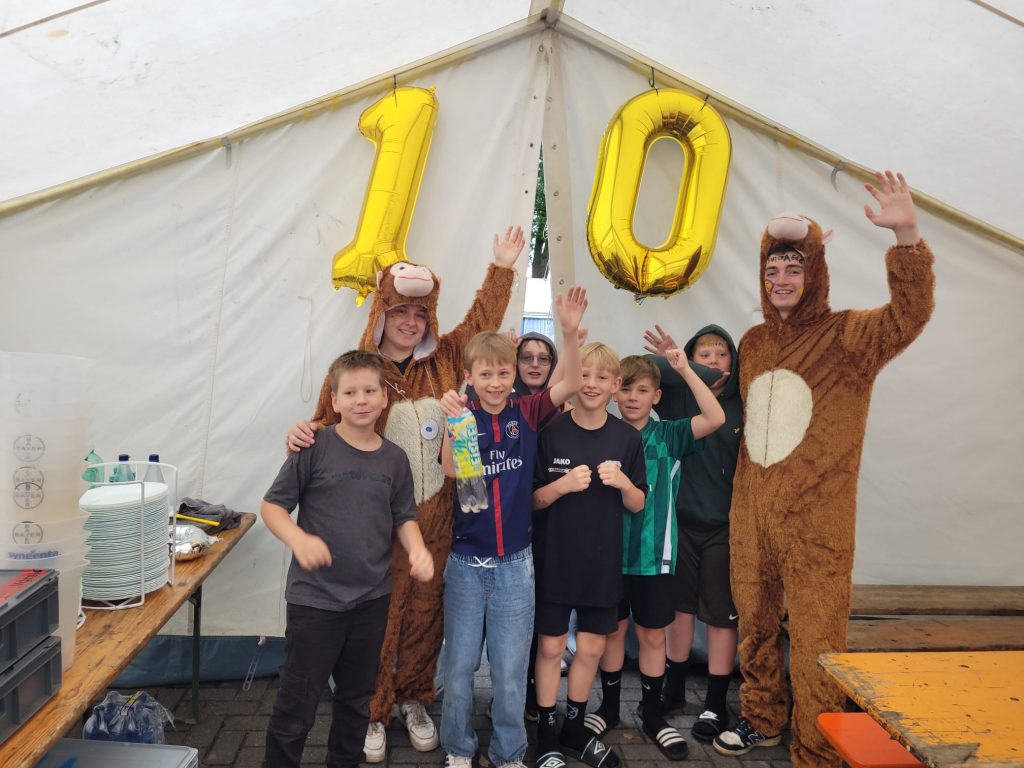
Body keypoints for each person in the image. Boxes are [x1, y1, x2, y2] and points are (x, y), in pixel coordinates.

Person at [713, 171, 935, 766]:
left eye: (795, 268)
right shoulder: (753, 342)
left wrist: (907, 237)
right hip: (752, 514)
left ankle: (817, 749)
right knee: (756, 626)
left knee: (817, 641)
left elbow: (910, 315)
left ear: (815, 274)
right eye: (773, 270)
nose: (782, 280)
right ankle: (762, 717)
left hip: (817, 524)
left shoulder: (848, 336)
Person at [286, 227, 525, 761]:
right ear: (382, 313)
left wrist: (502, 268)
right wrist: (302, 433)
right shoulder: (360, 370)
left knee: (425, 612)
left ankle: (414, 697)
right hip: (375, 523)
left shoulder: (446, 360)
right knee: (379, 615)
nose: (411, 322)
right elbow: (327, 423)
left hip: (437, 518)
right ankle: (372, 709)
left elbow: (481, 322)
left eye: (420, 314)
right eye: (400, 313)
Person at [436, 286, 586, 768]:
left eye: (503, 373)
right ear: (470, 376)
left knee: (508, 670)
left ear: (514, 374)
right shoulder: (463, 417)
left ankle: (508, 752)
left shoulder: (528, 412)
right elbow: (453, 472)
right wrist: (456, 422)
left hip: (515, 567)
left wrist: (568, 332)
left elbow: (571, 382)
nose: (496, 382)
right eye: (486, 374)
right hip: (465, 564)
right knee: (459, 669)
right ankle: (459, 748)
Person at [262, 351, 434, 768]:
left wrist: (417, 548)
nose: (361, 400)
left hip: (371, 602)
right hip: (314, 602)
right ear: (335, 400)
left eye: (370, 391)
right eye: (350, 392)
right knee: (297, 706)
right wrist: (298, 539)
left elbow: (404, 516)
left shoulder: (395, 459)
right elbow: (272, 507)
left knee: (357, 701)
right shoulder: (313, 446)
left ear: (384, 398)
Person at [583, 353, 724, 761]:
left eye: (642, 390)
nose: (632, 397)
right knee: (612, 633)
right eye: (625, 388)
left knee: (651, 636)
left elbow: (714, 417)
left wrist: (685, 369)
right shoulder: (602, 432)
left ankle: (652, 714)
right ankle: (609, 709)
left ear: (656, 396)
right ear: (613, 391)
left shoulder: (670, 435)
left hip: (654, 556)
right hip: (608, 555)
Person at [531, 343, 648, 768]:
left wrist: (624, 484)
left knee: (593, 647)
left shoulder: (627, 438)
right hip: (556, 561)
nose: (592, 384)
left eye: (602, 377)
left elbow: (638, 503)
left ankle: (574, 730)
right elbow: (533, 501)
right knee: (550, 648)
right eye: (584, 375)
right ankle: (546, 734)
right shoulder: (551, 434)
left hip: (602, 565)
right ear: (572, 380)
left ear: (615, 386)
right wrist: (561, 485)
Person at [641, 324, 742, 742]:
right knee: (679, 610)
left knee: (719, 616)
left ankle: (716, 702)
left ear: (734, 362)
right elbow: (644, 368)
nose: (713, 361)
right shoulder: (677, 397)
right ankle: (675, 689)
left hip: (725, 527)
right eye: (704, 354)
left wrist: (688, 367)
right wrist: (677, 364)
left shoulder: (741, 405)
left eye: (721, 354)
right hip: (677, 523)